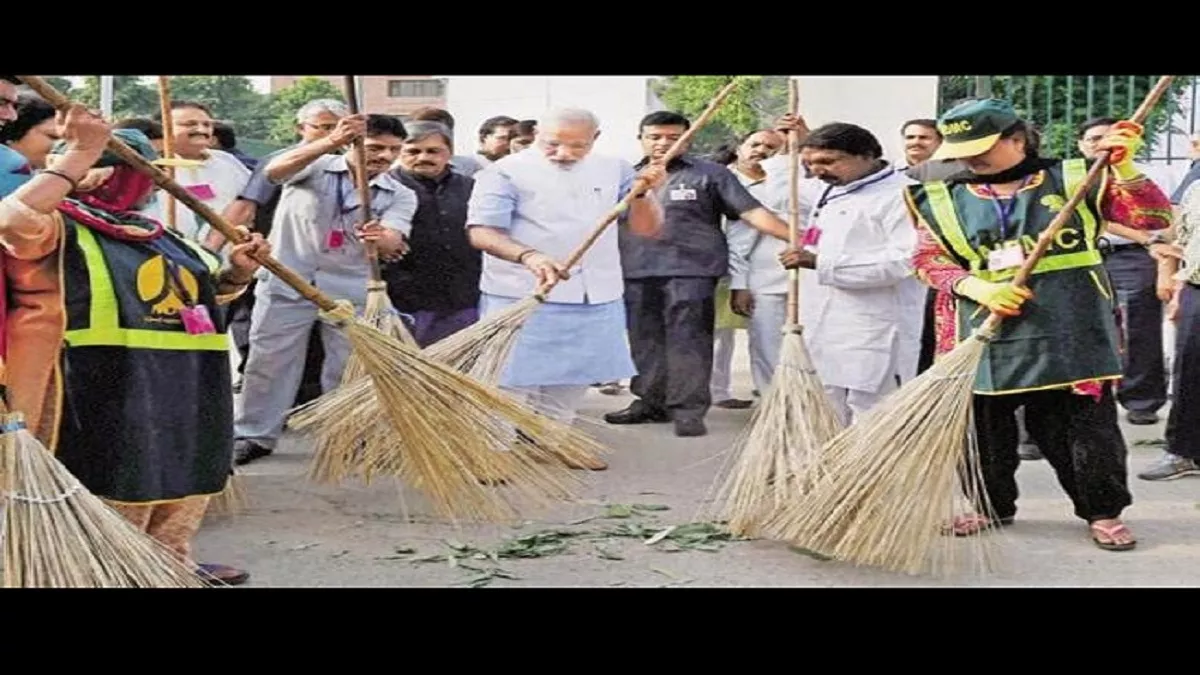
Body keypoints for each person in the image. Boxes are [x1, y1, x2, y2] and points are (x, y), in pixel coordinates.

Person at [0, 108, 269, 585]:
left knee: (176, 494)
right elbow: (9, 219)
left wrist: (238, 273)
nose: (142, 185)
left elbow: (206, 292)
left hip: (181, 393)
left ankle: (166, 569)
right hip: (88, 394)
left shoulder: (166, 238)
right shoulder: (55, 226)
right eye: (134, 172)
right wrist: (81, 155)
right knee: (103, 497)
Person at [905, 97, 1175, 550]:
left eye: (983, 146)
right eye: (962, 149)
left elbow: (1152, 219)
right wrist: (977, 288)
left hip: (1072, 327)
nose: (972, 158)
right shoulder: (940, 197)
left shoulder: (1075, 178)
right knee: (983, 428)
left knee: (1084, 428)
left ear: (1018, 139)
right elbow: (926, 260)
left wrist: (1125, 170)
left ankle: (1102, 511)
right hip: (985, 330)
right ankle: (990, 504)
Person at [467, 107, 666, 465]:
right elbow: (481, 232)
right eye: (552, 144)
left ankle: (553, 438)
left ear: (595, 139)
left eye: (577, 146)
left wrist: (644, 194)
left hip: (595, 288)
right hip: (522, 288)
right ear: (536, 134)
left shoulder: (616, 168)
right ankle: (492, 447)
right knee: (511, 375)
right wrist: (529, 256)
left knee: (576, 372)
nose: (564, 153)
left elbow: (647, 229)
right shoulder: (505, 172)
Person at [232, 114, 414, 466]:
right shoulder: (314, 166)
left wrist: (382, 238)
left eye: (393, 150)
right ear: (351, 142)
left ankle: (342, 435)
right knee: (268, 361)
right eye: (375, 147)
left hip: (350, 289)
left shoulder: (399, 193)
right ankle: (254, 434)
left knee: (348, 367)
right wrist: (329, 141)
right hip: (289, 279)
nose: (385, 156)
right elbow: (273, 172)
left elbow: (395, 238)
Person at [605, 111, 791, 437]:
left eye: (672, 136)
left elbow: (750, 211)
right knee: (644, 341)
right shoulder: (624, 177)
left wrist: (794, 236)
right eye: (655, 136)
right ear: (642, 139)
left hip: (691, 270)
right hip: (635, 269)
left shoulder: (712, 174)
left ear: (688, 138)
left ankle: (688, 409)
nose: (663, 143)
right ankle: (649, 402)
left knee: (688, 340)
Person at [772, 119, 922, 424]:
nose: (818, 170)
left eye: (828, 161)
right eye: (810, 163)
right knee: (824, 402)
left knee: (871, 404)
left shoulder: (903, 195)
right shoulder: (830, 189)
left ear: (867, 156)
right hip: (824, 320)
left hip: (875, 321)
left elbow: (904, 261)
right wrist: (789, 146)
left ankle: (869, 471)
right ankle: (828, 469)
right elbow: (776, 195)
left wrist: (820, 263)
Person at [1078, 116, 1171, 425]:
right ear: (1081, 145)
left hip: (1132, 257)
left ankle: (1141, 400)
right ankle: (1083, 396)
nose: (1100, 143)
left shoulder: (1139, 175)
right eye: (1092, 138)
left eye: (1107, 137)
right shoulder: (1071, 177)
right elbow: (1094, 219)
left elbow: (1159, 219)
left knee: (1139, 328)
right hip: (1083, 257)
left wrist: (1148, 243)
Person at [386, 120, 481, 347]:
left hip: (464, 295)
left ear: (450, 152)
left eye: (433, 151)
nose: (423, 157)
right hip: (405, 297)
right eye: (413, 151)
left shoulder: (473, 187)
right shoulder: (386, 188)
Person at [1138, 179, 1200, 480]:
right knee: (1190, 374)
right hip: (1196, 288)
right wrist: (1177, 287)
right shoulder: (1196, 188)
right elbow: (1184, 241)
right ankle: (1184, 453)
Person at [720, 129, 787, 402]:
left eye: (771, 147)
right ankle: (771, 403)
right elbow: (741, 241)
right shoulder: (725, 180)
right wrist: (740, 284)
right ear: (740, 147)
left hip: (805, 276)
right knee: (766, 345)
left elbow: (813, 227)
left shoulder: (791, 184)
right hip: (760, 279)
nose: (761, 150)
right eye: (755, 144)